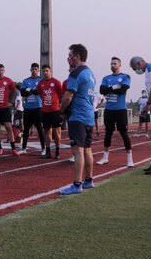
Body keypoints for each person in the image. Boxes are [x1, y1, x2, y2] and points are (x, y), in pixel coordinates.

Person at [59, 44, 96, 195]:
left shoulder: (75, 73)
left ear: (78, 57)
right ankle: (89, 180)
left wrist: (61, 112)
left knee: (77, 151)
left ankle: (77, 184)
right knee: (87, 149)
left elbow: (68, 96)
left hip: (78, 116)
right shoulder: (91, 73)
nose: (69, 58)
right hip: (88, 116)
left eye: (71, 55)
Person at [97, 57, 134, 167]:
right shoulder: (106, 78)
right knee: (108, 134)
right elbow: (101, 91)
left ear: (120, 65)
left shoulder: (125, 77)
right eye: (111, 63)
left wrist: (110, 89)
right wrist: (115, 87)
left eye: (115, 63)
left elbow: (123, 90)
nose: (113, 65)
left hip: (120, 110)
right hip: (109, 110)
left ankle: (129, 159)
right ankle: (105, 157)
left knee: (124, 134)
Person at [36, 65, 63, 159]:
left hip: (55, 111)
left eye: (47, 71)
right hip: (44, 111)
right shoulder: (40, 83)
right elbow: (40, 94)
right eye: (43, 71)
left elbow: (61, 94)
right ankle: (48, 152)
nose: (45, 73)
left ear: (50, 71)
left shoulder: (56, 82)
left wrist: (58, 104)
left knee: (56, 132)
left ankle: (57, 151)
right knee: (46, 132)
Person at [19, 63, 46, 155]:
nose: (34, 71)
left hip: (38, 107)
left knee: (40, 128)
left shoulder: (41, 80)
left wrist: (29, 90)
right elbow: (22, 93)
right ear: (30, 70)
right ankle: (23, 148)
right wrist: (32, 91)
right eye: (32, 69)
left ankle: (43, 148)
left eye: (36, 69)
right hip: (27, 108)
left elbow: (40, 91)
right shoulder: (26, 81)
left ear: (38, 70)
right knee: (26, 129)